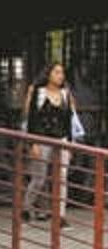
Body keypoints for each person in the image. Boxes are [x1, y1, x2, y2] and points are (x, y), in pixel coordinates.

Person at [22, 62, 81, 227]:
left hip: (62, 139)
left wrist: (70, 143)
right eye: (56, 72)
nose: (60, 76)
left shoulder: (65, 94)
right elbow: (32, 119)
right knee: (39, 178)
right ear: (48, 74)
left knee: (62, 177)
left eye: (62, 73)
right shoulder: (38, 92)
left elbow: (69, 121)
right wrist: (33, 142)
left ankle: (60, 216)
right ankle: (26, 208)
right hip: (42, 139)